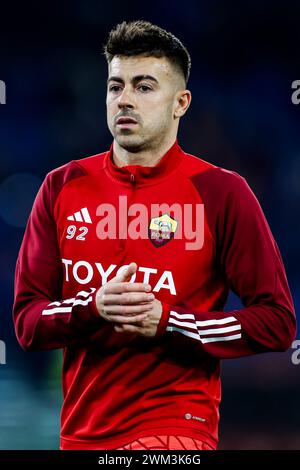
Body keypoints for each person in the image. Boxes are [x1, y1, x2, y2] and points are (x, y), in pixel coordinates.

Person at [13, 20, 296, 451]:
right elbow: (27, 324)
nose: (124, 99)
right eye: (115, 86)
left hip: (176, 430)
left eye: (144, 87)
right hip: (80, 435)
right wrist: (94, 307)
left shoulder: (221, 192)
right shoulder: (61, 186)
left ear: (181, 102)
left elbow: (277, 323)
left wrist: (170, 321)